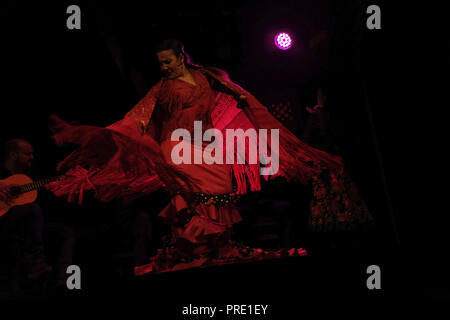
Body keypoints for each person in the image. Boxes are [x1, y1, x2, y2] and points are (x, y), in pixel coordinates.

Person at [46, 39, 359, 274]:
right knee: (191, 195)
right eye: (161, 64)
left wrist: (241, 100)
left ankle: (215, 249)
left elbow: (237, 97)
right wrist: (122, 130)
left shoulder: (209, 78)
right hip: (177, 146)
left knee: (221, 190)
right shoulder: (161, 89)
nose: (164, 67)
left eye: (168, 62)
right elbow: (140, 113)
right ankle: (194, 252)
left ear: (181, 57)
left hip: (208, 146)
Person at [0, 139, 52, 291]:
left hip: (16, 225)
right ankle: (36, 265)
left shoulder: (26, 179)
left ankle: (61, 280)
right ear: (13, 155)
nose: (32, 157)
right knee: (32, 210)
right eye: (27, 153)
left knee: (65, 231)